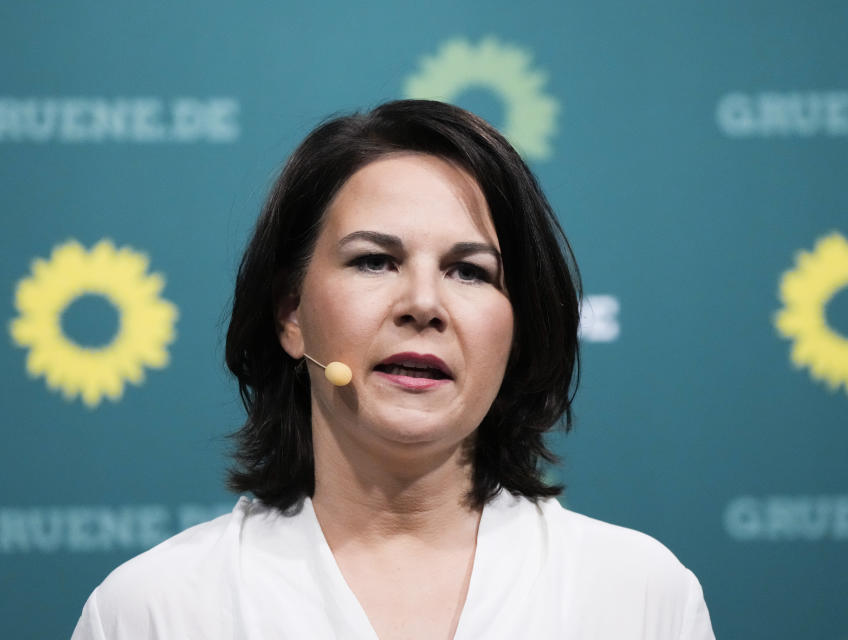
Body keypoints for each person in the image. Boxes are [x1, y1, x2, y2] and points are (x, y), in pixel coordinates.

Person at [72, 100, 714, 639]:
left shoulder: (640, 596)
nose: (424, 305)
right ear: (291, 314)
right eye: (375, 261)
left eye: (470, 271)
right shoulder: (150, 611)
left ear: (518, 328)